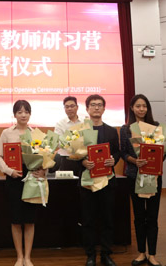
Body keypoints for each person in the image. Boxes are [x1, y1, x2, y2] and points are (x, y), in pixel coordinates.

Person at [0, 100, 45, 266]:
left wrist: (43, 170)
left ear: (30, 114)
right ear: (14, 114)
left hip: (31, 178)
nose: (23, 115)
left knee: (30, 220)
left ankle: (27, 257)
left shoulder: (36, 134)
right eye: (19, 112)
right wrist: (9, 171)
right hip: (14, 179)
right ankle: (19, 256)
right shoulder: (6, 133)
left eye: (26, 112)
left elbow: (44, 156)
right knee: (16, 220)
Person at [75, 94, 120, 266]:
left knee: (107, 219)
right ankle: (90, 255)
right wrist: (82, 162)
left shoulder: (111, 131)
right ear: (87, 109)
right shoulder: (80, 131)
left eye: (99, 104)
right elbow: (74, 154)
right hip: (87, 182)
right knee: (88, 220)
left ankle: (106, 254)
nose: (96, 107)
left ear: (104, 108)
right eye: (93, 105)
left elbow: (117, 152)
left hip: (107, 181)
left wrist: (114, 160)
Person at [119, 94, 163, 266]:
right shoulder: (126, 129)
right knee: (138, 216)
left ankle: (152, 254)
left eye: (144, 106)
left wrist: (155, 159)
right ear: (132, 108)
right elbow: (123, 153)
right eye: (138, 106)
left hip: (153, 176)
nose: (141, 109)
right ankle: (141, 252)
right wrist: (134, 161)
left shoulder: (156, 126)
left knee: (152, 216)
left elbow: (162, 152)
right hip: (134, 176)